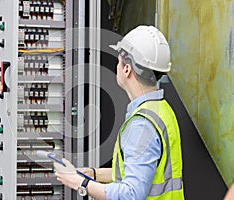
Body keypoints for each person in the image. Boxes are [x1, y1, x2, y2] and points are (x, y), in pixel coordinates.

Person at [54, 25, 185, 199]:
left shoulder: (142, 125)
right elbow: (138, 170)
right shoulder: (161, 109)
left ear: (127, 69)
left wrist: (80, 183)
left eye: (119, 61)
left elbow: (131, 194)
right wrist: (94, 174)